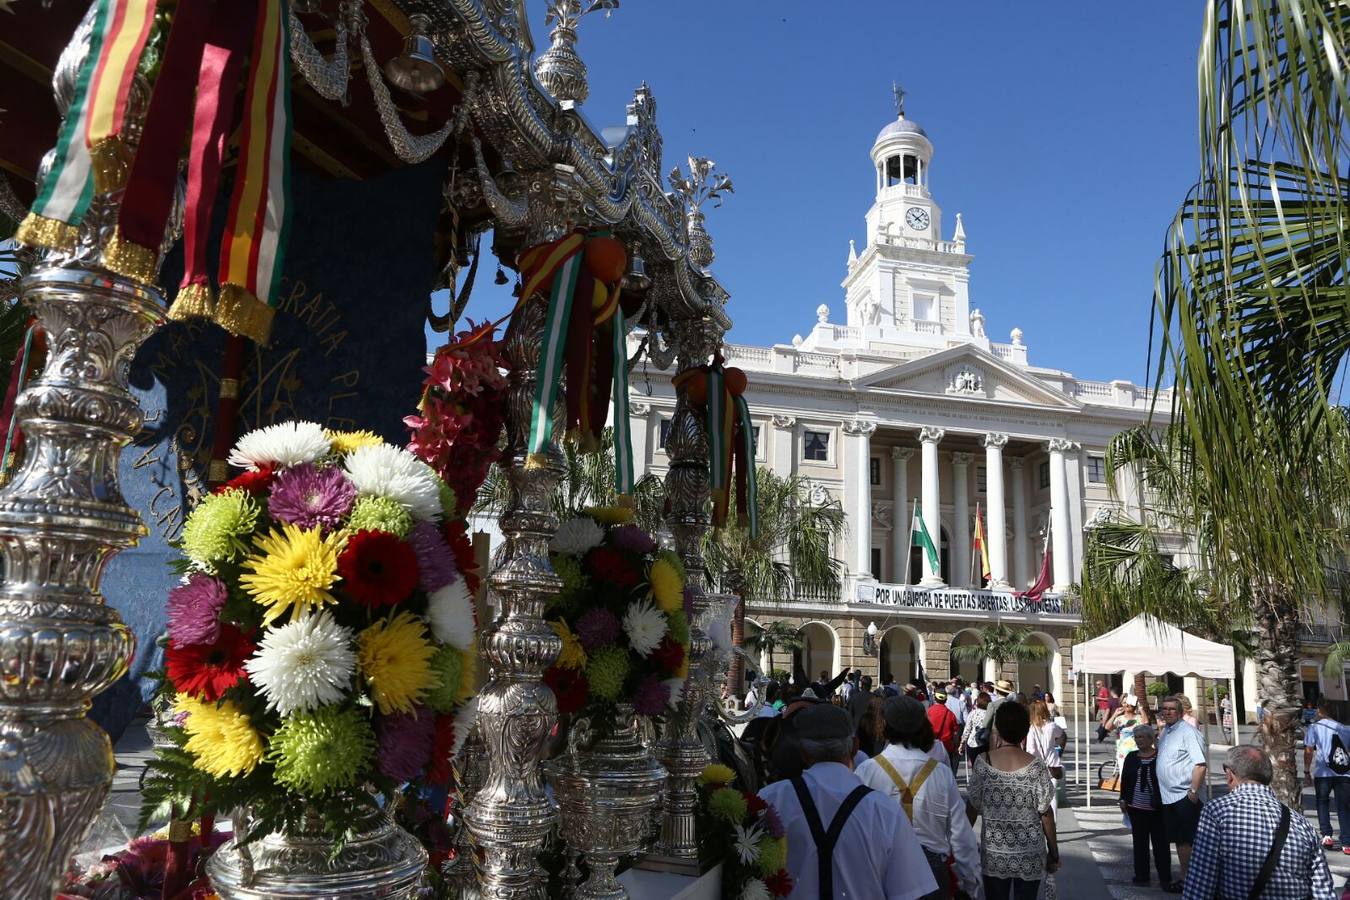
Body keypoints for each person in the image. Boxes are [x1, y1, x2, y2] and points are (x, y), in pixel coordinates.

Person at [757, 703, 937, 900]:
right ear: (854, 747)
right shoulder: (884, 810)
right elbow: (908, 892)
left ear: (803, 752)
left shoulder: (769, 800)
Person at [856, 697, 982, 900]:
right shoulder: (940, 773)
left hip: (882, 872)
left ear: (885, 726)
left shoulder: (866, 771)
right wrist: (970, 883)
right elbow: (960, 834)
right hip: (931, 874)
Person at [1183, 745, 1334, 900]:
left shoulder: (1217, 812)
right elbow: (1323, 891)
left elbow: (1200, 885)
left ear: (1229, 774)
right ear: (1268, 776)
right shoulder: (1302, 824)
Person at [967, 700, 1058, 900]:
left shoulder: (983, 763)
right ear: (1025, 731)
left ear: (997, 729)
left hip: (994, 854)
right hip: (1030, 853)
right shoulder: (1036, 766)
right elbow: (1046, 813)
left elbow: (971, 809)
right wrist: (1054, 852)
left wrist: (963, 847)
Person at [1156, 695, 1208, 892]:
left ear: (1180, 712)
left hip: (1185, 796)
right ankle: (1185, 877)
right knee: (1180, 840)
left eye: (1171, 709)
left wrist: (1193, 791)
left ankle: (1193, 880)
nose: (1167, 712)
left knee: (1189, 839)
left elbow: (1200, 765)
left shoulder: (1188, 732)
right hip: (1169, 796)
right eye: (1164, 708)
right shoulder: (1166, 732)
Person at [1119, 724, 1171, 887]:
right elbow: (1125, 780)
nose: (1138, 740)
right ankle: (1141, 876)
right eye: (1136, 737)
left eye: (1141, 737)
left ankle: (1165, 877)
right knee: (1140, 844)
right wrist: (1123, 799)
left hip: (1157, 807)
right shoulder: (1132, 757)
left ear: (1150, 739)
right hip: (1136, 807)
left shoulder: (1160, 756)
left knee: (1160, 844)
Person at [1305, 696, 1350, 852]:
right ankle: (1347, 843)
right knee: (1343, 807)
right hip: (1344, 774)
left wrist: (1306, 770)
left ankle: (1327, 836)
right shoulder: (1344, 728)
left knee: (1322, 802)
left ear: (1319, 710)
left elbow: (1309, 750)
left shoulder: (1314, 727)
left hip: (1323, 773)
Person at [1026, 699, 1066, 812]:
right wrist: (1058, 747)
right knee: (1052, 796)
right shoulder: (1052, 726)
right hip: (1052, 764)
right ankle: (1054, 823)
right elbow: (1061, 734)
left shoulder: (1032, 729)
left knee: (1038, 795)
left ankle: (1042, 822)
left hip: (1037, 766)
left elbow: (1031, 750)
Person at [1104, 695, 1145, 789]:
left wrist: (1141, 709)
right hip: (1123, 751)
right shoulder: (1120, 719)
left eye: (1129, 702)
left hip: (1137, 750)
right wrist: (1115, 714)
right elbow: (1107, 727)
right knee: (1124, 774)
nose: (1127, 705)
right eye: (1124, 702)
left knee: (1137, 774)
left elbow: (1145, 722)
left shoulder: (1138, 718)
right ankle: (1125, 796)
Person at [927, 690, 959, 763]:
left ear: (935, 698)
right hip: (946, 747)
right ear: (946, 700)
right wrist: (956, 747)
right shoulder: (950, 714)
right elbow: (955, 733)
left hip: (931, 746)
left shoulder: (929, 711)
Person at [960, 692, 992, 764]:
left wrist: (962, 743)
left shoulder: (973, 713)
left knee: (975, 766)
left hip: (972, 742)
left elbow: (967, 730)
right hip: (986, 743)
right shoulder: (990, 714)